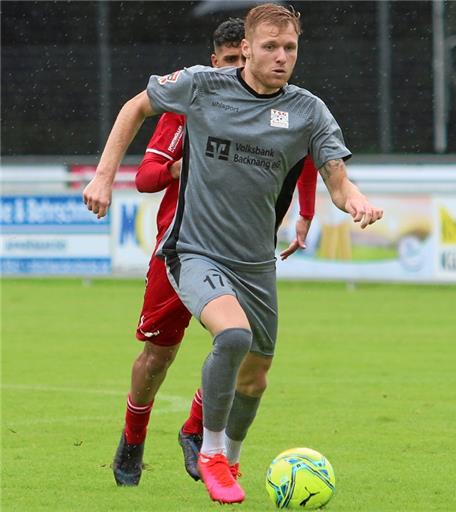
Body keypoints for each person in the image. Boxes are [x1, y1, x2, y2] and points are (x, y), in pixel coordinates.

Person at [83, 3, 383, 504]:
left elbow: (334, 175)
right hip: (194, 250)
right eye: (270, 47)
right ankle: (209, 451)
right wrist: (103, 175)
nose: (281, 57)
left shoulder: (307, 109)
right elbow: (135, 106)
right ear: (245, 49)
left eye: (289, 48)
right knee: (230, 337)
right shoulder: (202, 85)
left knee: (256, 375)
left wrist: (356, 201)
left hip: (254, 262)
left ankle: (234, 457)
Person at [110, 17, 320, 487]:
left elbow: (303, 154)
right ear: (219, 62)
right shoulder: (189, 104)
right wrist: (183, 165)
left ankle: (196, 434)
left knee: (236, 341)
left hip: (241, 250)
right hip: (181, 246)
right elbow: (145, 178)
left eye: (242, 61)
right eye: (229, 62)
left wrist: (305, 211)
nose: (237, 70)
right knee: (159, 355)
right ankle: (133, 436)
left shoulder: (283, 109)